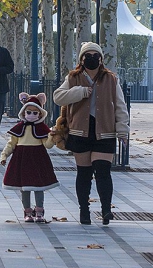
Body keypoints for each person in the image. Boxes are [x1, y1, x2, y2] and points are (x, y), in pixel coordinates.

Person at [53, 42, 129, 226]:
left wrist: (123, 130)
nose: (92, 58)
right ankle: (84, 210)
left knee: (103, 171)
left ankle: (106, 210)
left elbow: (120, 105)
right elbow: (58, 97)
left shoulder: (111, 79)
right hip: (80, 131)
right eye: (88, 55)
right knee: (84, 173)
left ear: (101, 59)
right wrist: (79, 92)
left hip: (105, 132)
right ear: (81, 59)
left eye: (96, 55)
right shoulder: (73, 77)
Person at [0, 92, 59, 223]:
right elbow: (11, 143)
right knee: (24, 187)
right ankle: (27, 211)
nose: (31, 115)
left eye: (35, 113)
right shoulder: (19, 128)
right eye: (29, 112)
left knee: (38, 186)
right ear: (24, 112)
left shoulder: (42, 129)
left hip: (38, 158)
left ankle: (39, 211)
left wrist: (52, 136)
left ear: (40, 114)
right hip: (21, 159)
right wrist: (4, 155)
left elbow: (48, 145)